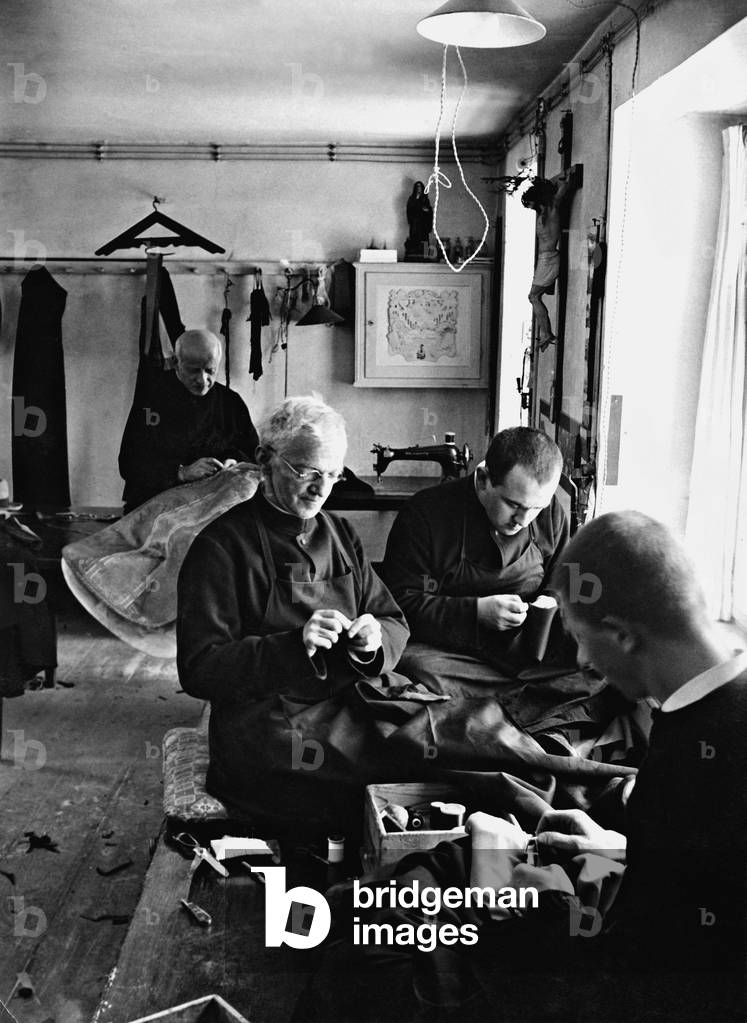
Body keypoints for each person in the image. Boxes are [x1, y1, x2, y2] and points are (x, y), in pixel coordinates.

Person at [296, 512, 747, 1023]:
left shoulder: (711, 754)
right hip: (621, 941)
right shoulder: (702, 707)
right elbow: (688, 877)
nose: (580, 658)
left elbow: (660, 975)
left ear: (622, 635)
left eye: (579, 636)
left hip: (626, 990)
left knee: (365, 967)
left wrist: (539, 902)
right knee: (425, 883)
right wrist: (612, 847)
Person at [176, 395, 409, 839]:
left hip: (349, 700)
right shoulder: (222, 547)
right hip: (269, 723)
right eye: (306, 472)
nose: (321, 489)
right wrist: (292, 645)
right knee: (381, 766)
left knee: (440, 736)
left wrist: (375, 640)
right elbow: (199, 670)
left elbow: (392, 617)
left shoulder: (341, 534)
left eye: (333, 475)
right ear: (266, 460)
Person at [380, 427, 580, 716]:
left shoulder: (550, 513)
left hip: (520, 651)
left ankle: (492, 714)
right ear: (484, 479)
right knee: (414, 669)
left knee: (597, 665)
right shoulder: (424, 514)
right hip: (449, 652)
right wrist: (475, 612)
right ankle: (525, 713)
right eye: (513, 504)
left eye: (536, 508)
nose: (523, 520)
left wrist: (549, 602)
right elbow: (398, 605)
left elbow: (563, 578)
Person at [118, 328, 258, 512]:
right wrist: (182, 472)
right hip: (159, 507)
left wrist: (234, 464)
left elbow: (254, 454)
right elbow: (129, 464)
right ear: (176, 362)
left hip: (215, 506)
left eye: (210, 371)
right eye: (194, 371)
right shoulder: (152, 399)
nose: (202, 380)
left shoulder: (231, 403)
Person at [522, 168, 579, 349]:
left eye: (530, 203)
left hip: (549, 258)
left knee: (533, 296)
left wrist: (564, 179)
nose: (530, 207)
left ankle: (546, 332)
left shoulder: (553, 207)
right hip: (545, 259)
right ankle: (546, 332)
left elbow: (565, 185)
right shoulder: (542, 214)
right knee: (533, 297)